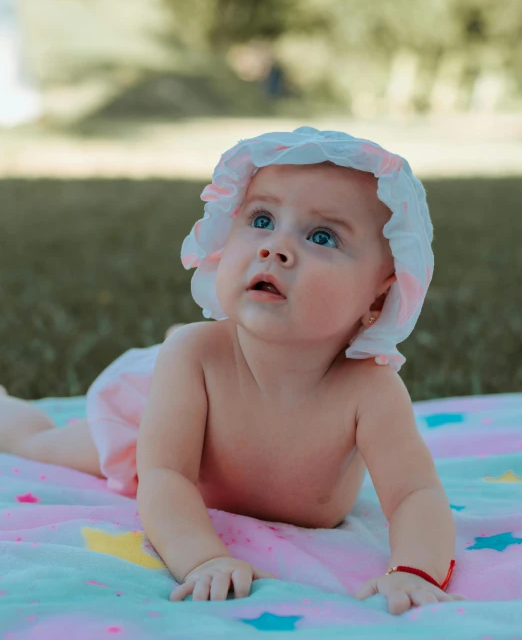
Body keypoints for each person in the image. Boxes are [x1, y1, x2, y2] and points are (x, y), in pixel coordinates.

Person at [0, 126, 466, 614]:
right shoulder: (194, 356)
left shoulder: (370, 389)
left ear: (379, 291)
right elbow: (164, 476)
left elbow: (415, 493)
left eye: (321, 236)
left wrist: (415, 571)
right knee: (46, 447)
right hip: (156, 427)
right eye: (261, 219)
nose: (275, 248)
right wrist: (203, 559)